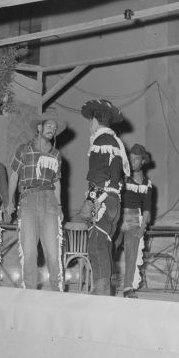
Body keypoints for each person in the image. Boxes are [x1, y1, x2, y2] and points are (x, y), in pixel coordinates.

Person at [6, 108, 66, 291]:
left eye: (54, 128)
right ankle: (30, 294)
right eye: (49, 126)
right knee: (30, 251)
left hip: (49, 202)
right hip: (28, 201)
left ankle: (57, 292)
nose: (52, 130)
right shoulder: (24, 149)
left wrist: (60, 206)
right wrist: (10, 201)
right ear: (39, 127)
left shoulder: (56, 155)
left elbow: (56, 182)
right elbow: (14, 175)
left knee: (53, 252)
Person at [75, 99, 130, 296]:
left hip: (103, 200)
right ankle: (103, 290)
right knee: (104, 243)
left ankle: (102, 291)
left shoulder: (100, 141)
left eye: (90, 121)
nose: (89, 125)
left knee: (97, 244)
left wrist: (90, 201)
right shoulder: (115, 142)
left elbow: (98, 176)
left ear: (96, 120)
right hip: (115, 201)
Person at [118, 143, 153, 298]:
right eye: (130, 159)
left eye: (136, 159)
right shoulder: (122, 177)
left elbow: (146, 208)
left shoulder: (147, 184)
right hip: (118, 216)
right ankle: (101, 283)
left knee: (132, 253)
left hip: (134, 218)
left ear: (142, 161)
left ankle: (127, 288)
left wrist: (142, 227)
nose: (132, 162)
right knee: (109, 247)